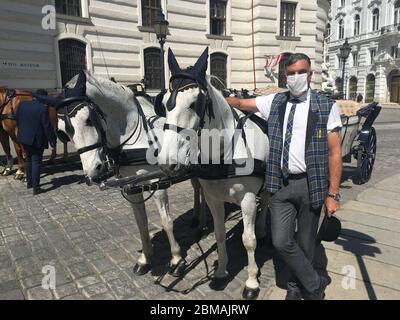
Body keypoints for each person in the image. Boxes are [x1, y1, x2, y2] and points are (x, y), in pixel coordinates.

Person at [226, 53, 342, 300]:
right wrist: (214, 95)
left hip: (311, 184)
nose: (296, 77)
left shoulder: (325, 106)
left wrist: (332, 194)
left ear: (310, 75)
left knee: (306, 243)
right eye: (291, 73)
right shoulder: (275, 101)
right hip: (279, 185)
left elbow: (334, 153)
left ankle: (295, 288)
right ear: (285, 76)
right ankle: (314, 283)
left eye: (301, 72)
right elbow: (241, 103)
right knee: (280, 241)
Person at [16, 91, 56, 195]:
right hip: (36, 139)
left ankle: (29, 183)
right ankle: (36, 188)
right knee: (36, 162)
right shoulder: (42, 108)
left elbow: (18, 120)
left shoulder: (22, 104)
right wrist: (52, 141)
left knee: (28, 160)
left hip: (23, 138)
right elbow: (47, 126)